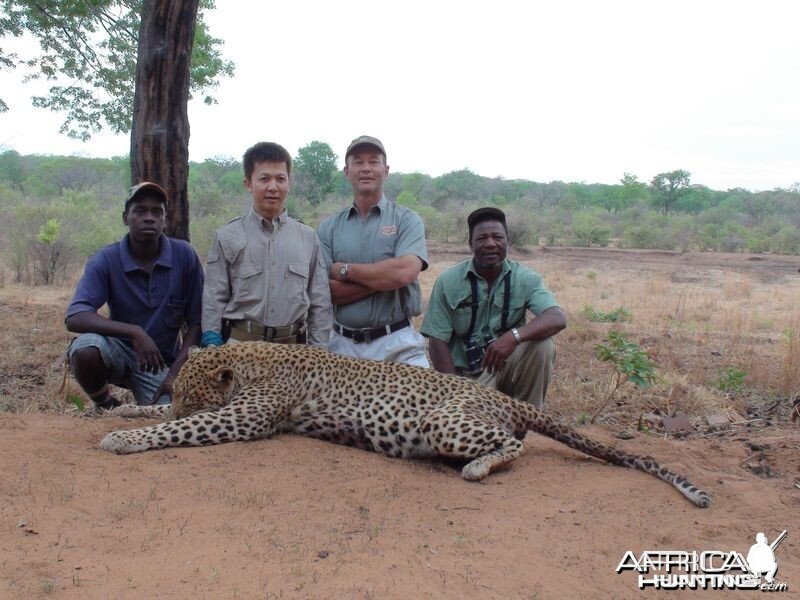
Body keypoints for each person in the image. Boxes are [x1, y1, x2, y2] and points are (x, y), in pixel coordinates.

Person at [66, 182, 204, 410]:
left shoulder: (184, 256)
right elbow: (76, 316)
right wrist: (134, 332)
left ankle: (152, 398)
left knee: (169, 412)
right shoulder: (106, 259)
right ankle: (106, 405)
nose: (149, 218)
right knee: (85, 350)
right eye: (140, 211)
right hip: (116, 351)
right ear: (125, 218)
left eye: (157, 212)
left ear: (165, 219)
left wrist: (174, 376)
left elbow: (198, 323)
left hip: (159, 363)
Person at [421, 207, 567, 408]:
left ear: (508, 241)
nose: (490, 244)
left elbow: (556, 317)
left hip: (504, 369)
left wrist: (513, 336)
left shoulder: (525, 278)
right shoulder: (448, 280)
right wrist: (452, 391)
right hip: (465, 378)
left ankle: (528, 419)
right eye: (481, 238)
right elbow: (437, 341)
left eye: (497, 237)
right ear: (470, 244)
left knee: (542, 346)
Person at [201, 141, 331, 347]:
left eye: (280, 178)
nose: (273, 186)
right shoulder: (227, 236)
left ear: (289, 183)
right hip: (239, 349)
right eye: (264, 178)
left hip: (293, 353)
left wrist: (319, 352)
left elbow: (320, 302)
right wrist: (211, 341)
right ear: (248, 184)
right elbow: (213, 298)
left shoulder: (308, 238)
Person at [317, 135, 429, 366]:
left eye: (373, 161)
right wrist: (384, 279)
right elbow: (327, 293)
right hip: (341, 345)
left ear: (386, 170)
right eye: (358, 162)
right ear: (346, 171)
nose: (366, 168)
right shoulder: (328, 228)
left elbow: (405, 273)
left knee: (423, 401)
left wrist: (344, 271)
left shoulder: (407, 220)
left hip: (398, 344)